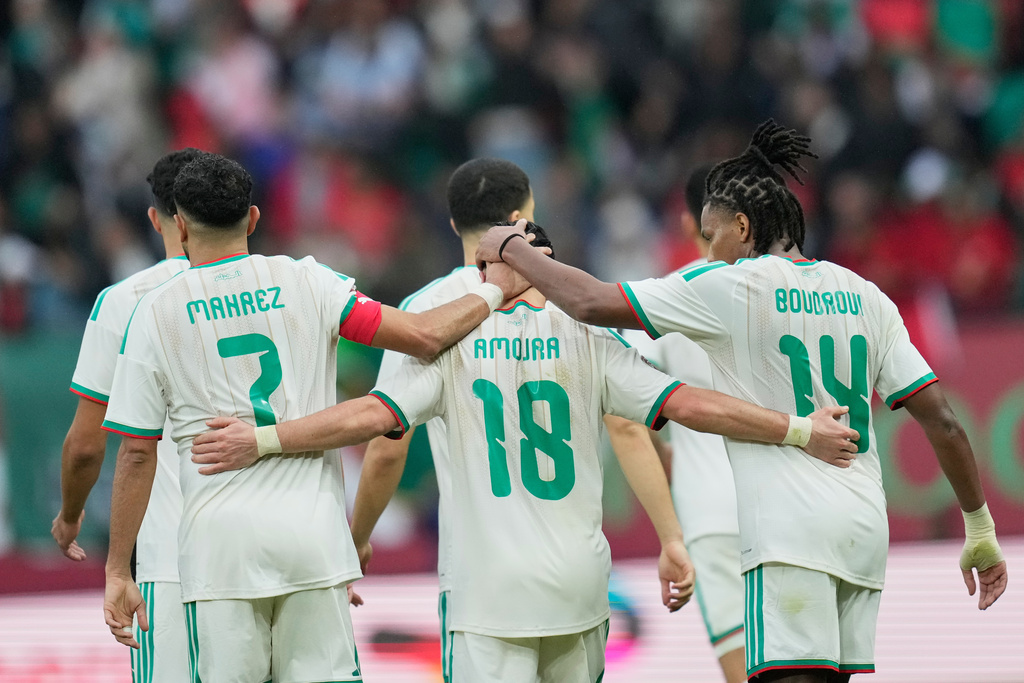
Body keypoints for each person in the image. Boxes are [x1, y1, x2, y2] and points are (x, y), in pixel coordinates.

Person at [189, 223, 860, 683]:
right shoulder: (591, 341)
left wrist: (263, 438)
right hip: (579, 592)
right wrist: (800, 429)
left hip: (488, 597)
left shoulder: (450, 348)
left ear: (482, 271)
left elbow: (371, 420)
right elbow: (690, 405)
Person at [475, 120, 1008, 682]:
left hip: (788, 535)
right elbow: (943, 421)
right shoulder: (865, 294)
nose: (709, 250)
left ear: (744, 227)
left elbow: (587, 302)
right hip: (862, 533)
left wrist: (512, 246)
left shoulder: (727, 285)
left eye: (713, 236)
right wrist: (980, 528)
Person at [99, 152, 530, 683]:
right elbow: (424, 336)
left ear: (180, 225)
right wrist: (494, 289)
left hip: (220, 551)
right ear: (253, 219)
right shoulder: (308, 281)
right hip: (312, 539)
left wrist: (120, 568)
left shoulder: (154, 313)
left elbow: (138, 450)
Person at [348, 157, 668, 683]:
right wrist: (671, 538)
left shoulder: (425, 312)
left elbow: (387, 443)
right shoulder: (577, 307)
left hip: (484, 585)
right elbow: (633, 423)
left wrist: (358, 537)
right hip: (579, 582)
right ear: (525, 215)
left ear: (453, 224)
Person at [53, 147, 204, 683]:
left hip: (175, 555)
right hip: (288, 543)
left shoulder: (125, 301)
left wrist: (71, 514)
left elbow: (88, 444)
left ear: (157, 217)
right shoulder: (291, 286)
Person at [627, 163, 748, 683]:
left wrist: (665, 454)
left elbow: (623, 392)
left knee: (742, 665)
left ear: (687, 222)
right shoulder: (801, 287)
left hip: (711, 508)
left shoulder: (671, 294)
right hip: (795, 501)